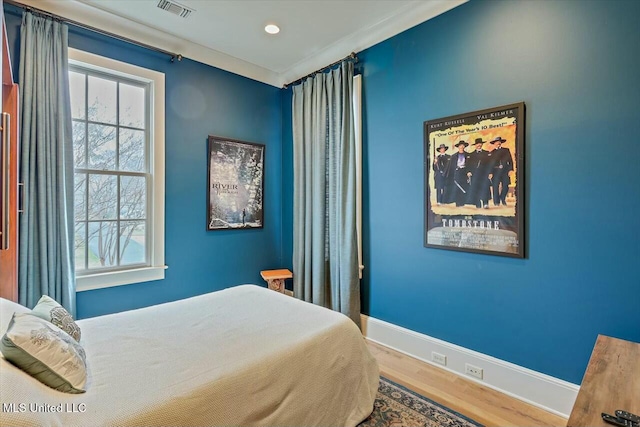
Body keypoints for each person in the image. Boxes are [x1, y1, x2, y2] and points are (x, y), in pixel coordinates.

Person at [489, 136, 513, 206]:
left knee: (506, 185)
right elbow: (490, 164)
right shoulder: (491, 153)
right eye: (496, 142)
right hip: (495, 172)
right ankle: (496, 202)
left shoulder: (506, 150)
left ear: (501, 143)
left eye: (499, 142)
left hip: (505, 171)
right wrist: (490, 173)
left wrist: (511, 169)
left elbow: (510, 160)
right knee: (495, 186)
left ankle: (502, 198)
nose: (498, 143)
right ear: (494, 143)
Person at [468, 137, 491, 209]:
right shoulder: (471, 154)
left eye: (480, 144)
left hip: (484, 174)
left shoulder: (487, 153)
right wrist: (468, 172)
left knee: (485, 188)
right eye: (477, 144)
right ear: (475, 145)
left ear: (482, 144)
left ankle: (485, 203)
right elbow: (468, 164)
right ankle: (477, 203)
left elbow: (490, 164)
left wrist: (490, 173)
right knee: (476, 188)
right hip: (475, 174)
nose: (479, 145)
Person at [450, 140, 470, 207]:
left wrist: (468, 172)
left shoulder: (468, 155)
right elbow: (451, 166)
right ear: (458, 147)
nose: (461, 146)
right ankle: (458, 203)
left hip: (465, 172)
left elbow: (470, 164)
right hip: (457, 172)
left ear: (464, 146)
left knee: (464, 186)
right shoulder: (454, 156)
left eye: (463, 145)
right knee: (457, 187)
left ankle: (463, 202)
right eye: (460, 145)